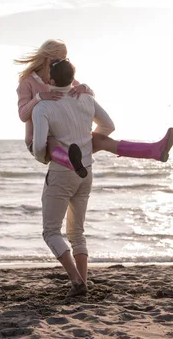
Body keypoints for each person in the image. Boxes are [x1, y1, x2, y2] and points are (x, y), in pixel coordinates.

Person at [16, 39, 173, 176]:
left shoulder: (59, 75)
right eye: (60, 59)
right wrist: (38, 98)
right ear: (47, 59)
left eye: (66, 59)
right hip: (40, 143)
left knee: (103, 140)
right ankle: (73, 162)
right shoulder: (28, 82)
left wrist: (84, 87)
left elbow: (89, 95)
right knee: (52, 141)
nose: (64, 63)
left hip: (70, 143)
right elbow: (23, 116)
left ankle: (155, 150)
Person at [32, 58, 114, 297]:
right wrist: (88, 145)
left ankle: (76, 281)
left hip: (61, 171)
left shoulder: (43, 107)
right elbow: (108, 126)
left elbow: (39, 144)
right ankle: (83, 282)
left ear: (51, 80)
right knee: (77, 231)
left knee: (51, 232)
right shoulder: (86, 98)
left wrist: (43, 158)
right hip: (86, 171)